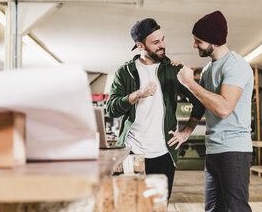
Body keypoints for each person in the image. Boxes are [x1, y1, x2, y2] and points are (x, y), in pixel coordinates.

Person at [106, 18, 204, 199]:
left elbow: (199, 101)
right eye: (156, 42)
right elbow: (111, 109)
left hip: (163, 153)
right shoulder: (125, 72)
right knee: (129, 207)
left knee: (158, 207)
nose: (162, 45)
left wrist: (187, 131)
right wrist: (137, 94)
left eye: (163, 39)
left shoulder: (174, 71)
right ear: (140, 45)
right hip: (131, 151)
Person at [169, 11, 253, 211]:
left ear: (214, 41)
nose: (194, 45)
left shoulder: (236, 66)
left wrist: (190, 83)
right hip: (214, 149)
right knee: (213, 209)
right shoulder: (208, 69)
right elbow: (201, 104)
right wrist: (186, 131)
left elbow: (224, 108)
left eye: (198, 41)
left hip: (234, 149)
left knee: (236, 208)